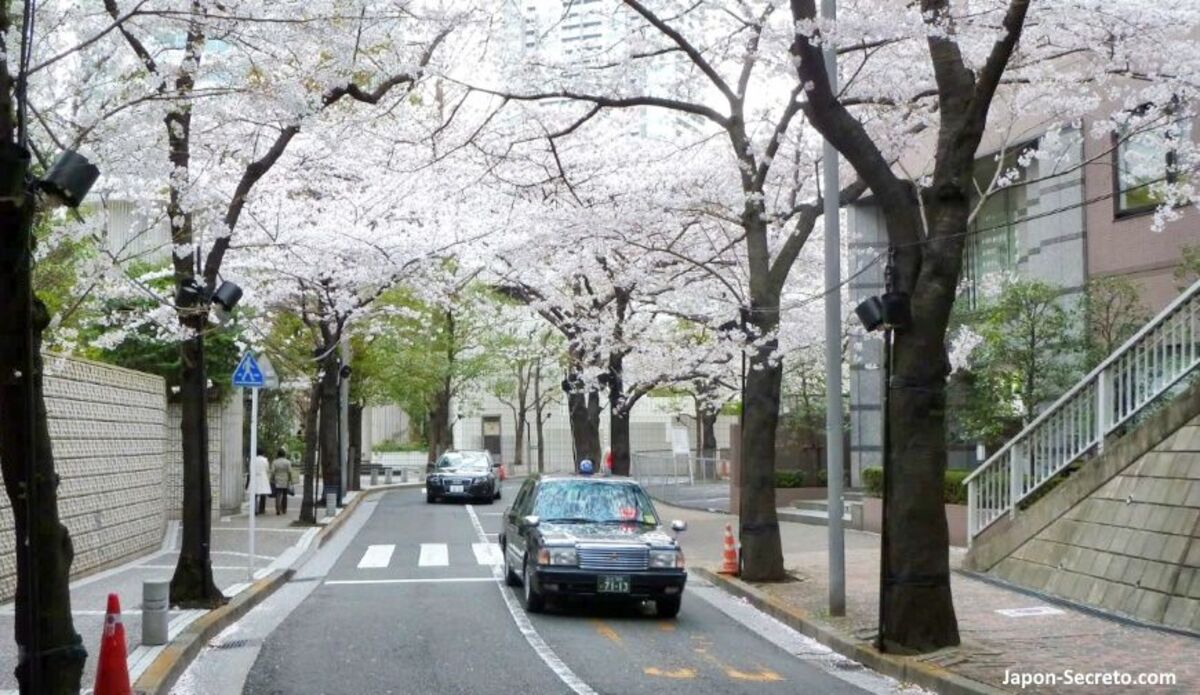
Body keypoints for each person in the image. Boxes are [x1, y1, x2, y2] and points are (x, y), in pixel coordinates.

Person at [271, 449, 296, 515]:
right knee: (285, 495)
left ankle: (277, 509)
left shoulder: (275, 462)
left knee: (278, 495)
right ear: (284, 454)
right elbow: (290, 472)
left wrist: (272, 479)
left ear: (278, 454)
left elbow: (273, 472)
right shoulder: (287, 462)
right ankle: (284, 509)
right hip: (285, 480)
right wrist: (291, 479)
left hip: (277, 480)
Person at [248, 447, 272, 515]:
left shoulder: (252, 459)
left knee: (254, 494)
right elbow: (267, 469)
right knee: (263, 494)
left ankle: (255, 509)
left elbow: (250, 469)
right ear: (263, 453)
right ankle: (262, 509)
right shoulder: (265, 460)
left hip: (254, 477)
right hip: (263, 477)